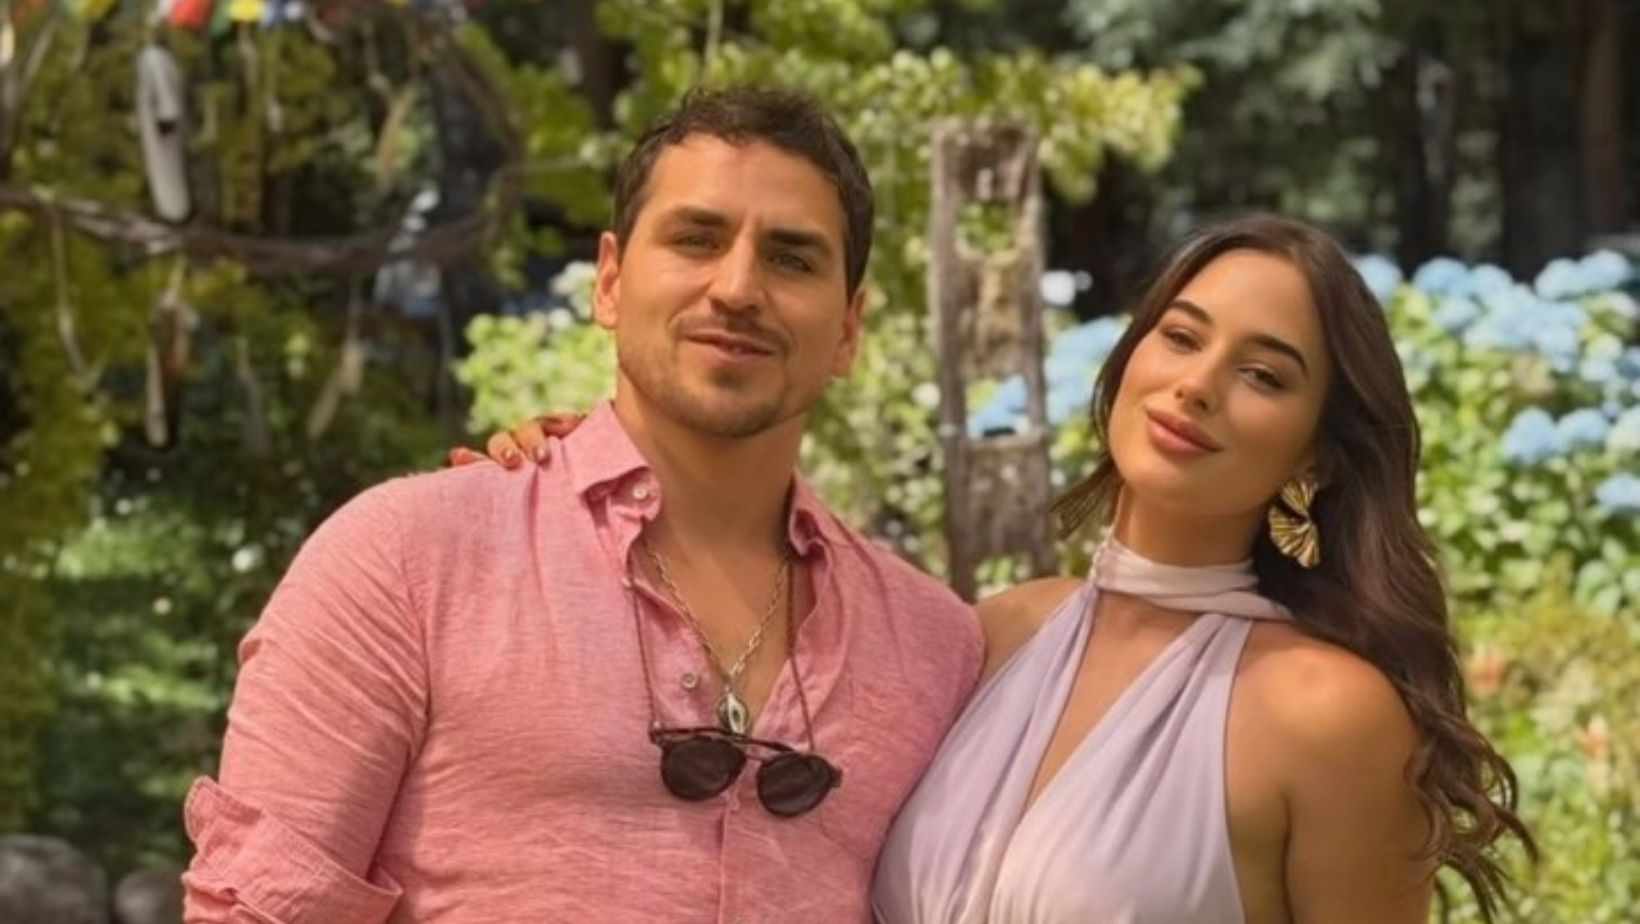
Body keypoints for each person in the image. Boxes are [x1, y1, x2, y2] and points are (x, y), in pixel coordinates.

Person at [483, 216, 1533, 923]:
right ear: (1131, 360)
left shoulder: (1323, 713)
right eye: (1180, 338)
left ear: (1314, 455)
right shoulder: (984, 636)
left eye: (1263, 374)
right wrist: (582, 471)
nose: (1198, 386)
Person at [181, 86, 983, 924]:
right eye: (697, 238)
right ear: (610, 281)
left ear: (849, 329)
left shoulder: (936, 650)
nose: (738, 287)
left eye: (792, 259)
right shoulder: (411, 560)